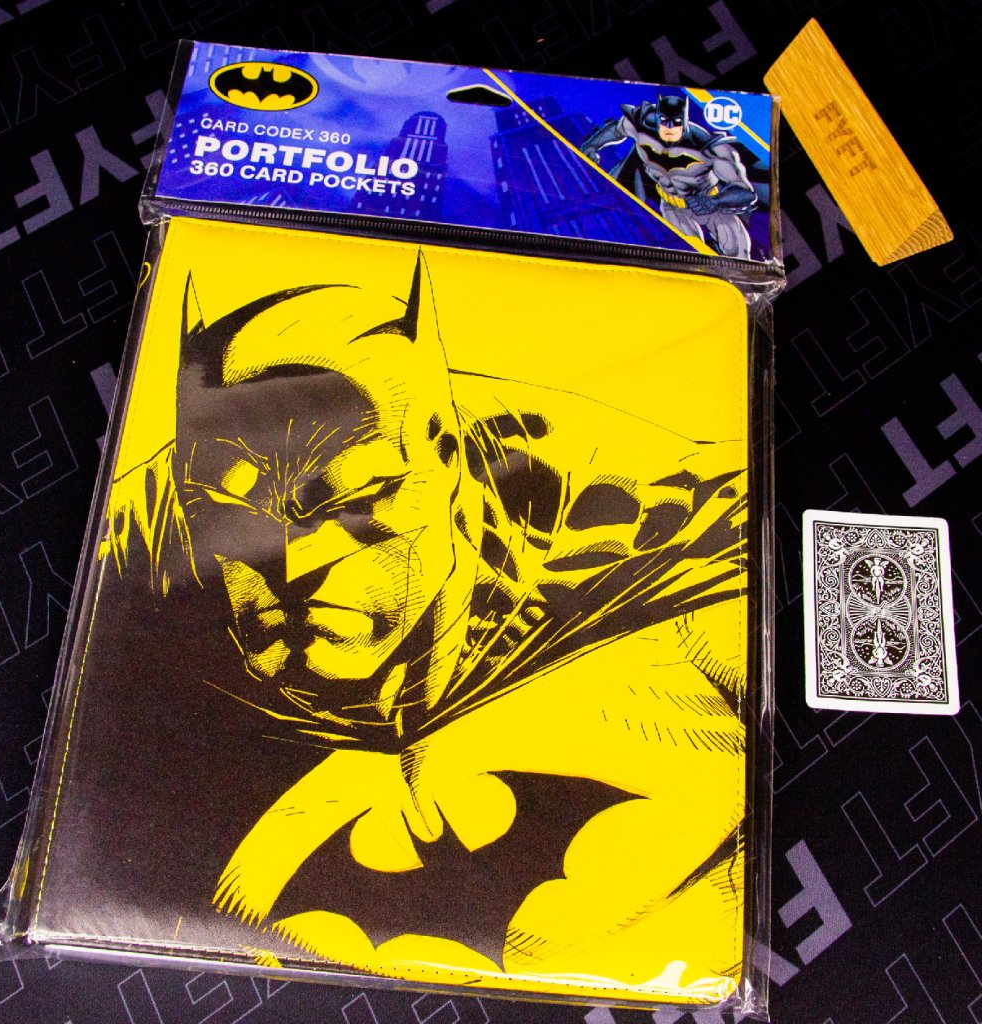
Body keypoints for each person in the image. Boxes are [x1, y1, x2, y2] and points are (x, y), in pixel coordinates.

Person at [117, 253, 750, 994]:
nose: (294, 563)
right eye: (232, 513)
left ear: (446, 458)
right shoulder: (140, 540)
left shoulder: (647, 520)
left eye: (360, 498)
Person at [581, 93, 758, 259]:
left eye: (676, 122)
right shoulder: (641, 128)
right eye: (665, 122)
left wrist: (714, 202)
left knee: (738, 255)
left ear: (685, 121)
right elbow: (616, 129)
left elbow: (745, 191)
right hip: (673, 206)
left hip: (710, 205)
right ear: (658, 118)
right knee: (691, 257)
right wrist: (592, 145)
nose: (670, 128)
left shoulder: (708, 146)